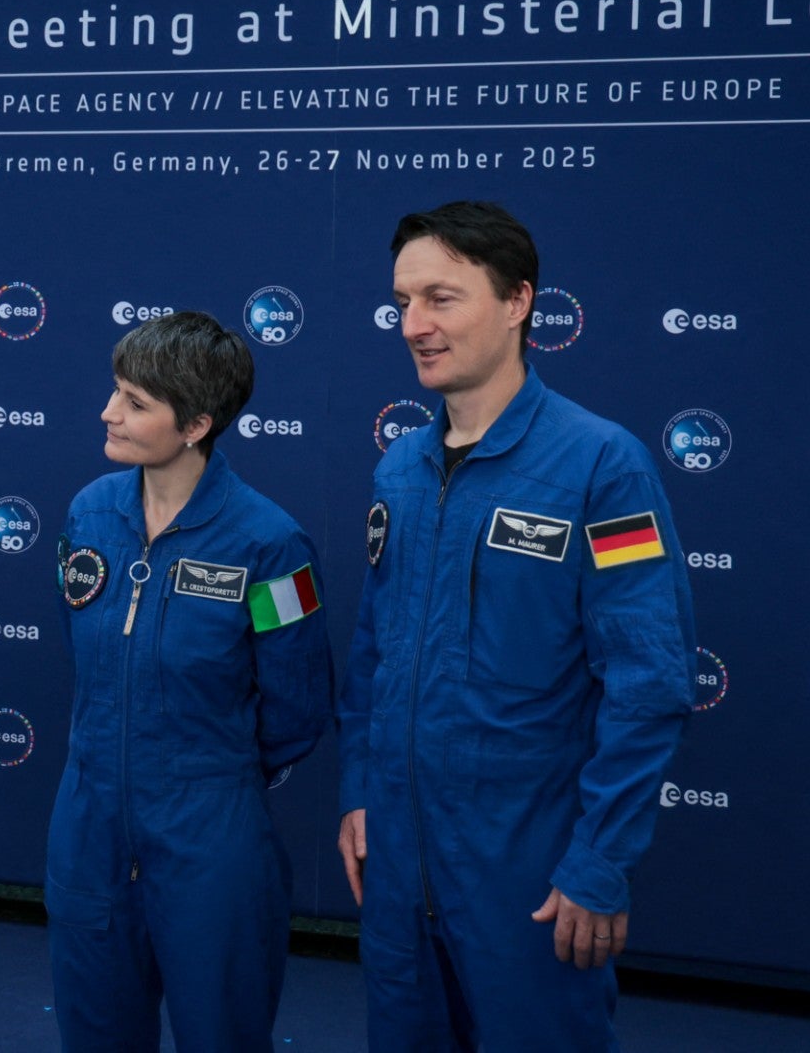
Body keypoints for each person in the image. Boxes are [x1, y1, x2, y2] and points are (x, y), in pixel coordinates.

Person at [336, 200, 696, 1050]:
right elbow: (373, 651)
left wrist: (600, 860)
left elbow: (649, 682)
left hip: (525, 872)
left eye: (441, 298)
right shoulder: (402, 466)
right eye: (403, 302)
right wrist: (359, 789)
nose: (414, 325)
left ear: (517, 302)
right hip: (399, 863)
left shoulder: (602, 467)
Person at [46, 312, 333, 1051]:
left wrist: (206, 774)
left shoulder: (271, 545)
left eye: (137, 403)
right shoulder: (89, 514)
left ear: (198, 423)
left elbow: (298, 704)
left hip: (211, 834)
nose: (109, 412)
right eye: (115, 392)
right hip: (89, 824)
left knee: (222, 1034)